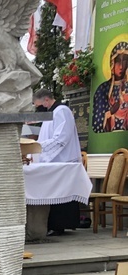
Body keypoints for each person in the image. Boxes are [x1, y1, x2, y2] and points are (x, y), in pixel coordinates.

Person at [33, 89, 83, 235]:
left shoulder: (61, 111)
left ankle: (60, 225)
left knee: (61, 194)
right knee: (55, 193)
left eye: (38, 105)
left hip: (64, 160)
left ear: (46, 100)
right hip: (54, 161)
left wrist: (39, 147)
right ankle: (54, 224)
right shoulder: (51, 114)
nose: (38, 108)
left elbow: (61, 137)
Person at [92, 41, 128, 133]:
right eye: (118, 61)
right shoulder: (103, 89)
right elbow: (97, 124)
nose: (121, 66)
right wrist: (109, 113)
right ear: (112, 63)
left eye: (124, 61)